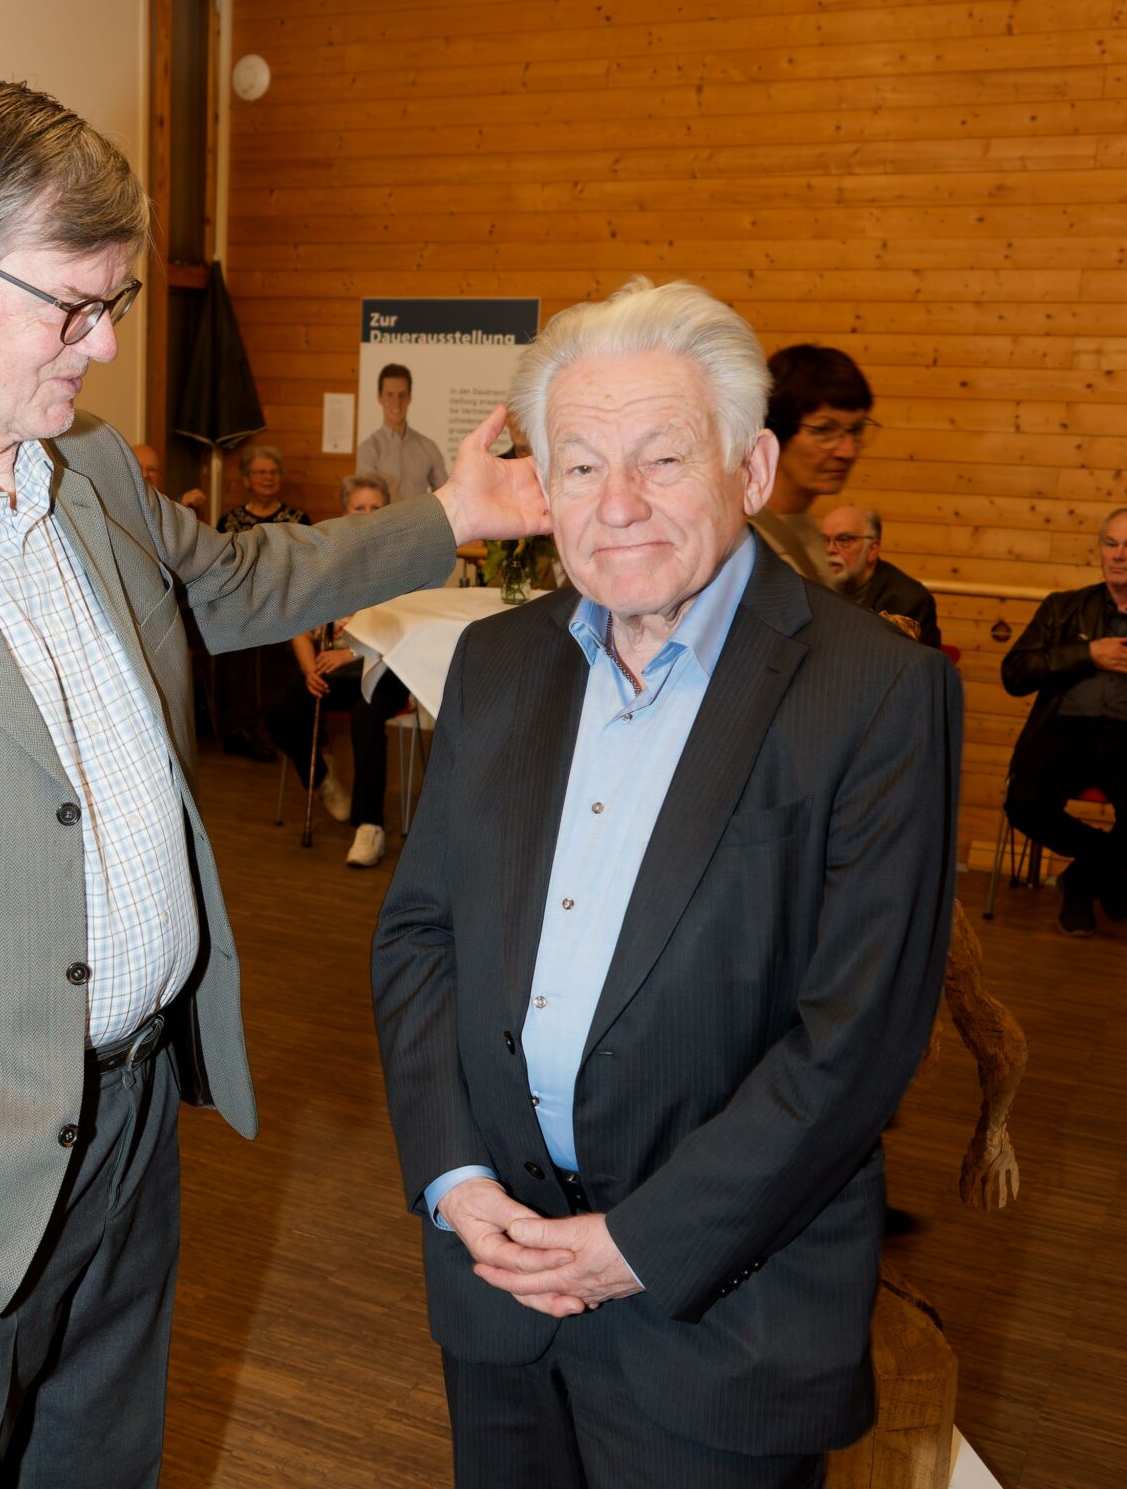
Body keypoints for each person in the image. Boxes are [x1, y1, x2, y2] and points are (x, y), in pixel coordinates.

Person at [0, 64, 546, 1489]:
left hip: (134, 1113)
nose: (106, 344)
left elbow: (239, 582)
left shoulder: (86, 470)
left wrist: (453, 512)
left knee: (102, 1464)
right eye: (75, 306)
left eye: (115, 301)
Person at [373, 278, 961, 1489]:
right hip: (497, 1283)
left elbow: (858, 1039)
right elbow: (422, 935)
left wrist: (639, 1242)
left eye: (662, 458)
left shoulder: (877, 692)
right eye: (581, 466)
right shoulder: (497, 662)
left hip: (723, 1319)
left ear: (752, 467)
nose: (619, 505)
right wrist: (455, 1176)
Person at [265, 471, 408, 867]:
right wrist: (309, 668)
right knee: (279, 712)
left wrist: (352, 654)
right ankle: (323, 779)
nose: (367, 514)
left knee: (366, 716)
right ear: (345, 512)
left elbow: (404, 628)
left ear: (388, 510)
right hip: (331, 669)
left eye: (376, 507)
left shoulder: (402, 560)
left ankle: (369, 826)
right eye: (359, 507)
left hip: (385, 667)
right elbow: (300, 623)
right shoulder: (326, 559)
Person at [1001, 506, 1127, 936]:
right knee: (1024, 803)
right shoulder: (1063, 608)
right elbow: (1015, 674)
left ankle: (1079, 881)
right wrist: (1087, 653)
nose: (1118, 555)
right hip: (1065, 729)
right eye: (1111, 544)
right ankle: (1105, 869)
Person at [215, 443, 312, 760]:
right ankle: (242, 727)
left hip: (285, 603)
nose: (267, 478)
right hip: (241, 605)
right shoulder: (228, 521)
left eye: (273, 472)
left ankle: (275, 724)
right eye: (260, 472)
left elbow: (308, 566)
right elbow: (220, 567)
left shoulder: (298, 519)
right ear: (246, 479)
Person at [751, 344, 876, 585]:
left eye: (856, 430)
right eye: (824, 431)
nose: (848, 451)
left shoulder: (805, 528)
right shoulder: (745, 543)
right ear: (777, 432)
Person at [822, 504, 941, 647]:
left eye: (844, 539)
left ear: (872, 549)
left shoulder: (911, 600)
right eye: (824, 540)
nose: (830, 549)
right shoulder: (813, 585)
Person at [358, 362, 448, 500]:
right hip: (383, 516)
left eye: (402, 395)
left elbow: (445, 496)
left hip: (420, 515)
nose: (397, 402)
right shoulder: (368, 450)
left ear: (410, 397)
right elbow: (366, 502)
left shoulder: (428, 447)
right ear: (379, 397)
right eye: (390, 395)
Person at [132, 440, 206, 513]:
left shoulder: (164, 506)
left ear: (161, 476)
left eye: (152, 470)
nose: (145, 475)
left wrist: (182, 508)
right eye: (139, 468)